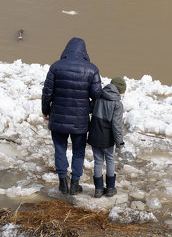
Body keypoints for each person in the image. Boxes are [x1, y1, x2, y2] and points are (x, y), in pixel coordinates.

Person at [41, 38, 103, 194]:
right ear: (84, 52)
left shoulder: (56, 67)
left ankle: (62, 182)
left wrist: (46, 110)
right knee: (78, 151)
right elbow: (97, 96)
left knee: (60, 149)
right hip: (80, 120)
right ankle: (75, 184)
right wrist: (87, 109)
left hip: (58, 117)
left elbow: (47, 92)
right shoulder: (92, 69)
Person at [89, 76, 127, 198]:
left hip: (94, 134)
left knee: (98, 161)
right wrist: (119, 143)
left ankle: (98, 189)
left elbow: (89, 108)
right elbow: (116, 126)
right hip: (107, 138)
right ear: (120, 90)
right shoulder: (117, 104)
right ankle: (110, 188)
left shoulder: (98, 96)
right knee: (110, 159)